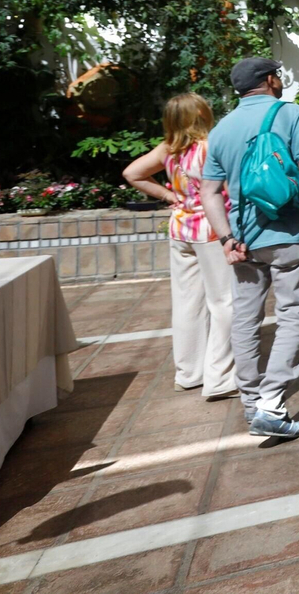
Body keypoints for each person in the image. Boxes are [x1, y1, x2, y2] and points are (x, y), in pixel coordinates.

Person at [199, 58, 299, 441]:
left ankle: (252, 405)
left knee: (245, 319)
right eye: (278, 76)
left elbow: (209, 192)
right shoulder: (290, 114)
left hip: (243, 242)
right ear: (270, 80)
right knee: (291, 316)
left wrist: (226, 238)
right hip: (289, 235)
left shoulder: (221, 129)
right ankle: (271, 406)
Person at [123, 94, 239, 399]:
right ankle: (220, 379)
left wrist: (169, 196)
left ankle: (189, 374)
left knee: (187, 302)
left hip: (181, 229)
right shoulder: (210, 147)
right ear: (201, 114)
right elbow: (229, 190)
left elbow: (132, 174)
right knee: (224, 302)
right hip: (213, 231)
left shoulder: (168, 149)